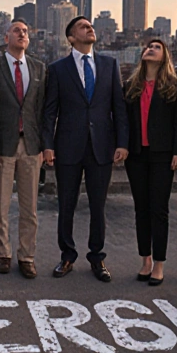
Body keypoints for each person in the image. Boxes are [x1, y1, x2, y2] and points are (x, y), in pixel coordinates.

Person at [43, 15, 128, 282]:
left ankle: (97, 258)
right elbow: (50, 112)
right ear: (71, 38)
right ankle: (67, 256)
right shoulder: (57, 69)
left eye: (90, 25)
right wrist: (47, 145)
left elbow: (119, 108)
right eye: (83, 26)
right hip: (67, 147)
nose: (89, 28)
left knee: (97, 206)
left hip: (101, 146)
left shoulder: (109, 64)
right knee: (66, 204)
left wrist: (122, 143)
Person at [0, 19, 46, 278]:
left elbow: (42, 110)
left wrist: (44, 145)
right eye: (17, 30)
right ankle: (3, 254)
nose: (22, 34)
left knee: (29, 208)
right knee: (1, 206)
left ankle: (27, 256)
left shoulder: (40, 68)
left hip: (31, 145)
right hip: (4, 146)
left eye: (26, 32)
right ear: (6, 36)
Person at [123, 38, 177, 286]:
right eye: (148, 46)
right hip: (137, 154)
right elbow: (125, 121)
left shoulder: (172, 86)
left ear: (164, 57)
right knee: (141, 208)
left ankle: (159, 264)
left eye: (157, 47)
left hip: (162, 154)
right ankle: (145, 261)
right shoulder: (131, 85)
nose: (150, 49)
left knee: (159, 209)